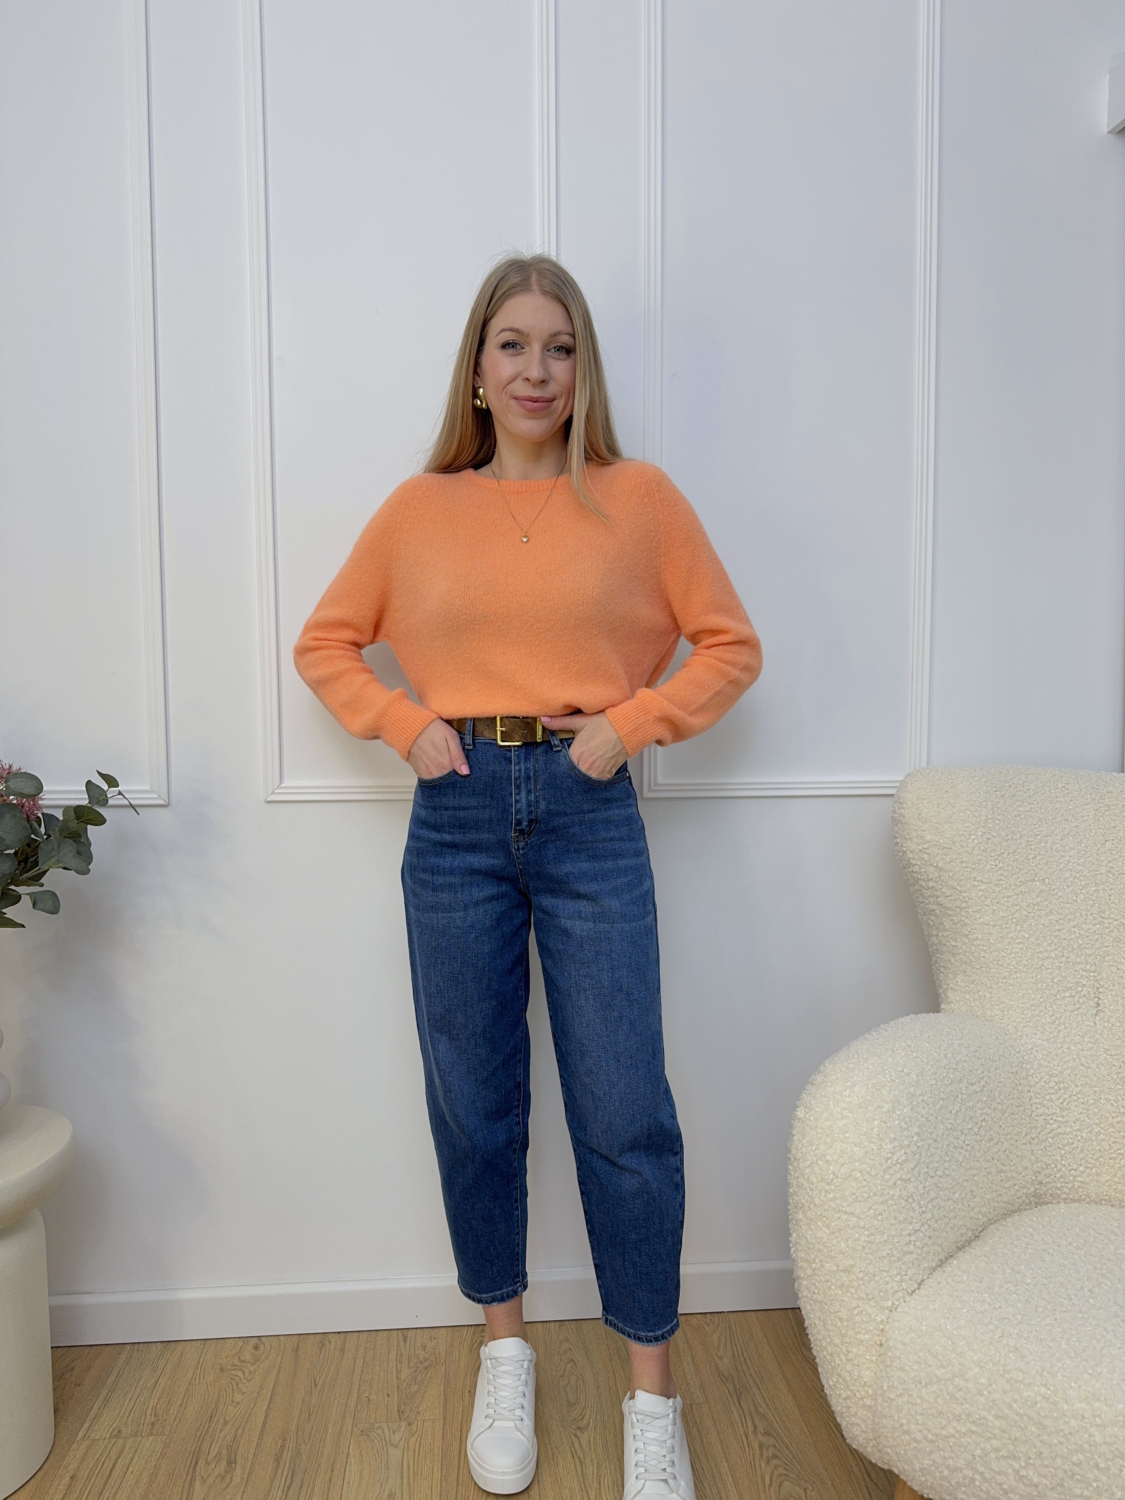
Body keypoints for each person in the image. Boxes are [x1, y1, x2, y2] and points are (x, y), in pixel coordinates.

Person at [294, 254, 761, 1499]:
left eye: (560, 347)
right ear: (478, 369)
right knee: (475, 1099)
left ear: (583, 368)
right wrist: (405, 726)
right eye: (513, 345)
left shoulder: (640, 500)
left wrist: (632, 724)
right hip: (454, 815)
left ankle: (651, 1402)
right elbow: (326, 642)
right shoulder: (419, 510)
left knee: (625, 1109)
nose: (537, 370)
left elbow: (730, 645)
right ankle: (504, 1350)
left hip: (589, 809)